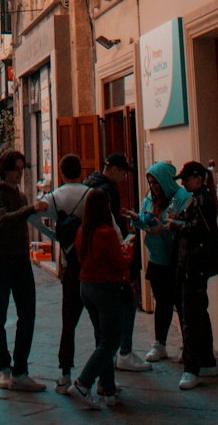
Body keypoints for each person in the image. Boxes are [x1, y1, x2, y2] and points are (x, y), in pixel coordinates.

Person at [0, 148, 48, 392]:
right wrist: (31, 209)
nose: (20, 174)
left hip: (21, 261)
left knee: (27, 315)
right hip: (0, 262)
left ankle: (21, 370)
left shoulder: (21, 197)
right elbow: (2, 220)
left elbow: (22, 220)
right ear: (6, 171)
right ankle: (4, 368)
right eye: (17, 170)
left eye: (22, 170)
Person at [69, 187, 136, 408]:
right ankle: (83, 382)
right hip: (105, 288)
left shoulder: (83, 232)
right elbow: (119, 263)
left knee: (102, 338)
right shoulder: (106, 233)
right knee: (112, 339)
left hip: (86, 287)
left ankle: (108, 389)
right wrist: (127, 251)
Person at [85, 152, 149, 372]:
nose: (123, 177)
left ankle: (111, 362)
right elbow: (111, 226)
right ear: (112, 169)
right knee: (126, 302)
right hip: (110, 257)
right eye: (122, 172)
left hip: (91, 262)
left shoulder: (91, 185)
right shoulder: (107, 191)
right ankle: (123, 351)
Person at [167, 161, 218, 390]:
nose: (183, 183)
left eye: (187, 179)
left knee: (190, 317)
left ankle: (191, 369)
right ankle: (207, 361)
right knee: (198, 312)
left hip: (194, 264)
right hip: (195, 264)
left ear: (198, 179)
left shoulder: (201, 201)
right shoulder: (201, 199)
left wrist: (175, 225)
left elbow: (198, 229)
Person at [124, 161, 190, 361]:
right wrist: (137, 219)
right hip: (157, 259)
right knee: (162, 302)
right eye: (151, 183)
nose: (153, 187)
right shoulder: (150, 200)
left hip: (177, 260)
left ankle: (188, 344)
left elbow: (185, 229)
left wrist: (165, 230)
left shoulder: (182, 198)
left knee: (181, 303)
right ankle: (160, 343)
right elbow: (147, 222)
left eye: (156, 182)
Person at [45, 153, 91, 393]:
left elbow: (33, 214)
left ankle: (65, 374)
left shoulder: (55, 196)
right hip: (93, 263)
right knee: (101, 323)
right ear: (81, 171)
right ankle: (105, 379)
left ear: (61, 173)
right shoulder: (91, 194)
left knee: (68, 322)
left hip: (70, 264)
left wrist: (56, 237)